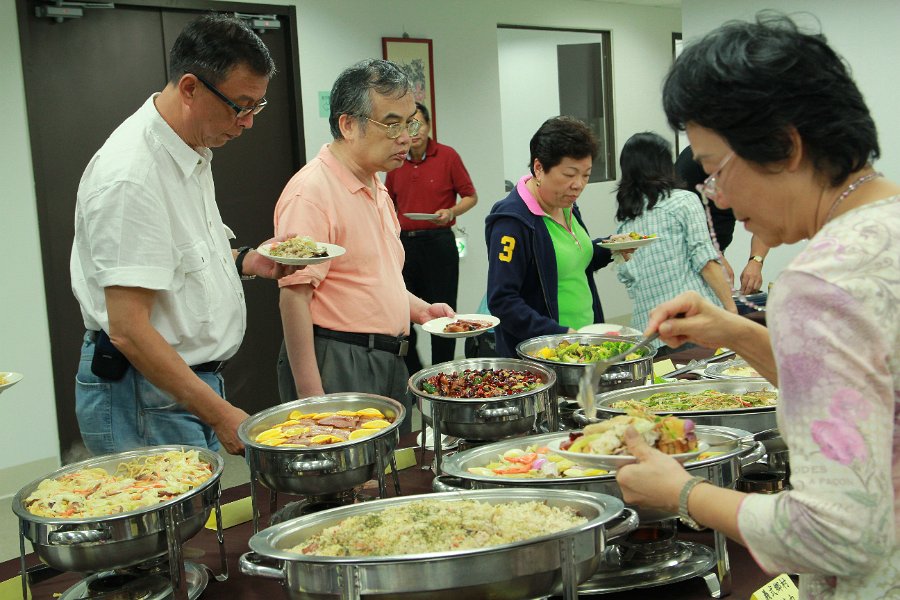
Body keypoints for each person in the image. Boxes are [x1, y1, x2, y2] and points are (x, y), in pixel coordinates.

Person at [616, 14, 899, 599]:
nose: (717, 196)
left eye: (714, 170)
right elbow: (872, 397)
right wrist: (735, 331)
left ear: (785, 146)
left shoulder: (822, 282)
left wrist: (683, 493)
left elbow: (835, 533)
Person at [71, 14, 295, 456]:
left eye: (257, 106)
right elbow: (129, 330)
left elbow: (179, 261)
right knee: (166, 504)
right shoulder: (132, 176)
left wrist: (247, 260)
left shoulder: (190, 148)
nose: (248, 122)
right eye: (241, 106)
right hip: (143, 393)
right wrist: (220, 413)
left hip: (180, 385)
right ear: (190, 88)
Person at [274, 59, 454, 432]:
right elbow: (294, 299)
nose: (405, 137)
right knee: (347, 467)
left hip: (388, 359)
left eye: (410, 123)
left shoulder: (375, 185)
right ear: (348, 125)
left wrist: (421, 310)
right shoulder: (312, 192)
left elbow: (370, 277)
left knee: (393, 464)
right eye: (392, 124)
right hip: (339, 359)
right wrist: (313, 405)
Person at [485, 116, 613, 358]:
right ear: (539, 168)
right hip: (546, 354)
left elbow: (570, 260)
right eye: (569, 174)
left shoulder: (566, 205)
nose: (578, 185)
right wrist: (559, 334)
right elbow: (503, 301)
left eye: (586, 175)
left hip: (582, 345)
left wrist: (611, 248)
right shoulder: (512, 221)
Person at [614, 132, 736, 345]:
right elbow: (705, 261)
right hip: (691, 325)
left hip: (649, 332)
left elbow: (630, 281)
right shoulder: (683, 201)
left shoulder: (625, 220)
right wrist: (731, 309)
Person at [385, 102, 478, 373]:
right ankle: (414, 374)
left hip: (439, 242)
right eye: (407, 126)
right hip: (405, 245)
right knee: (402, 312)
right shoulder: (395, 159)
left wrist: (451, 212)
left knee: (443, 315)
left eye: (418, 125)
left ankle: (443, 374)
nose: (413, 132)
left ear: (428, 126)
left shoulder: (447, 156)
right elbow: (387, 203)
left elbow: (471, 196)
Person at [676, 145, 771, 294]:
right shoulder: (694, 159)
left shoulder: (754, 164)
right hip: (685, 257)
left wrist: (756, 261)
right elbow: (678, 219)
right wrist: (714, 255)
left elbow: (764, 219)